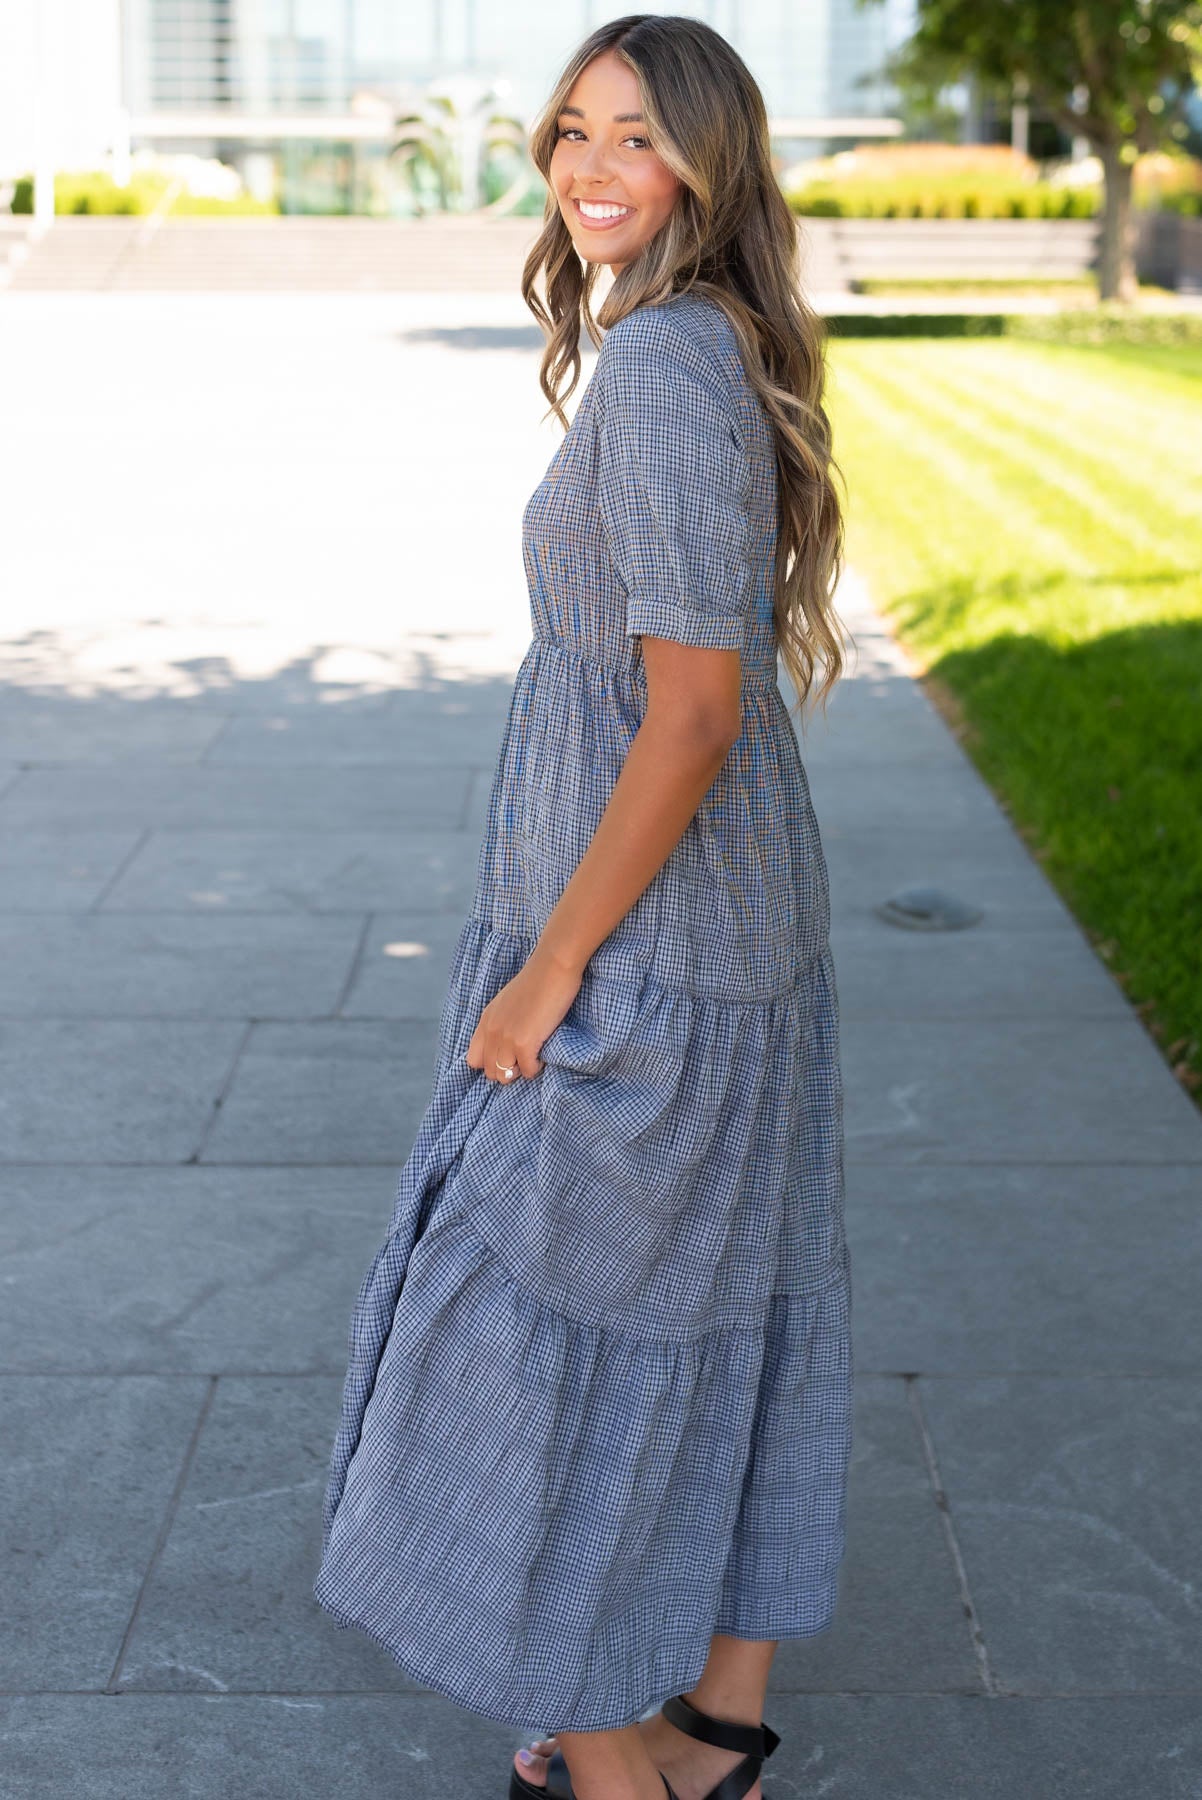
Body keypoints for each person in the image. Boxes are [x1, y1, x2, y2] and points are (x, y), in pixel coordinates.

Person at [313, 16, 855, 1800]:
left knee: (502, 1328)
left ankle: (618, 1763)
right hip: (704, 917)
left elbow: (691, 710)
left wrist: (552, 968)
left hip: (657, 943)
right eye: (569, 132)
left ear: (707, 159)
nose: (591, 167)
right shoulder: (697, 344)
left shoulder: (671, 371)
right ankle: (711, 1737)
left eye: (636, 134)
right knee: (725, 1297)